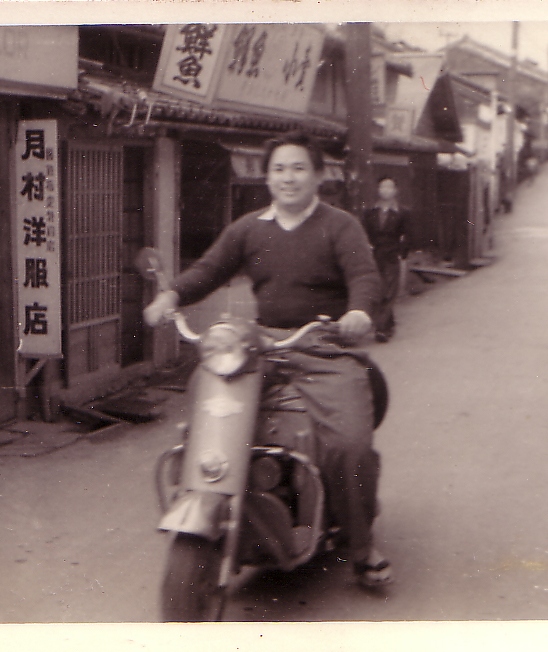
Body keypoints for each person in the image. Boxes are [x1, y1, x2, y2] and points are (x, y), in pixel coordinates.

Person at [144, 131, 392, 587]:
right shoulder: (249, 228)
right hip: (261, 345)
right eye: (279, 168)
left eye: (299, 168)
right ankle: (214, 497)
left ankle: (361, 546)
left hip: (323, 344)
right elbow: (209, 269)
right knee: (206, 399)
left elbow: (364, 276)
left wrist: (358, 312)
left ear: (319, 175)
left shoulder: (341, 226)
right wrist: (171, 295)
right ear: (266, 175)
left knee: (350, 443)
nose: (288, 178)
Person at [361, 176, 411, 342]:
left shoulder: (402, 212)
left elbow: (408, 235)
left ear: (396, 190)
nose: (386, 190)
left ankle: (381, 329)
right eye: (382, 187)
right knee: (377, 290)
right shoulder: (370, 212)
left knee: (389, 291)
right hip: (374, 255)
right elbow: (364, 234)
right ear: (378, 189)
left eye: (389, 187)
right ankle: (388, 324)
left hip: (391, 255)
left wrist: (402, 253)